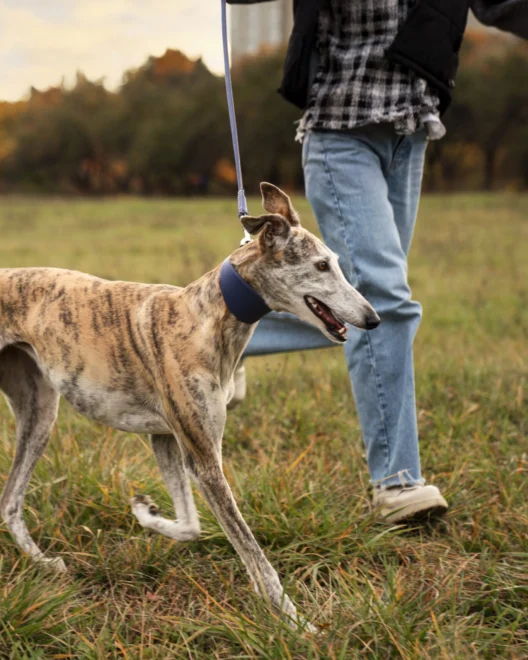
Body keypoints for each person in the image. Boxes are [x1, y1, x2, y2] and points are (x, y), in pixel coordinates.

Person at [226, 0, 528, 523]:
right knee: (385, 299)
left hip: (411, 135)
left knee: (369, 311)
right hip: (341, 132)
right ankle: (396, 483)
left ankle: (230, 327)